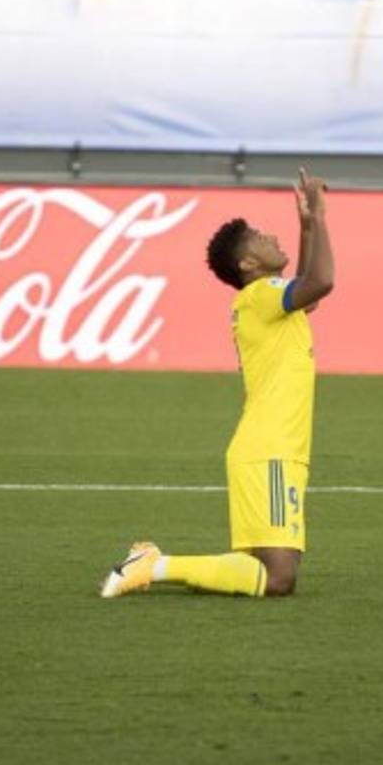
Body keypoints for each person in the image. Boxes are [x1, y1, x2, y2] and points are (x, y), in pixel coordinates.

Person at [101, 169, 334, 599]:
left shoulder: (263, 301)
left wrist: (305, 227)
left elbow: (310, 293)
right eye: (261, 237)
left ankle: (155, 562)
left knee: (266, 572)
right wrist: (319, 216)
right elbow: (322, 281)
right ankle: (154, 564)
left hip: (269, 449)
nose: (272, 238)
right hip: (271, 450)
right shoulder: (263, 296)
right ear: (248, 264)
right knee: (279, 579)